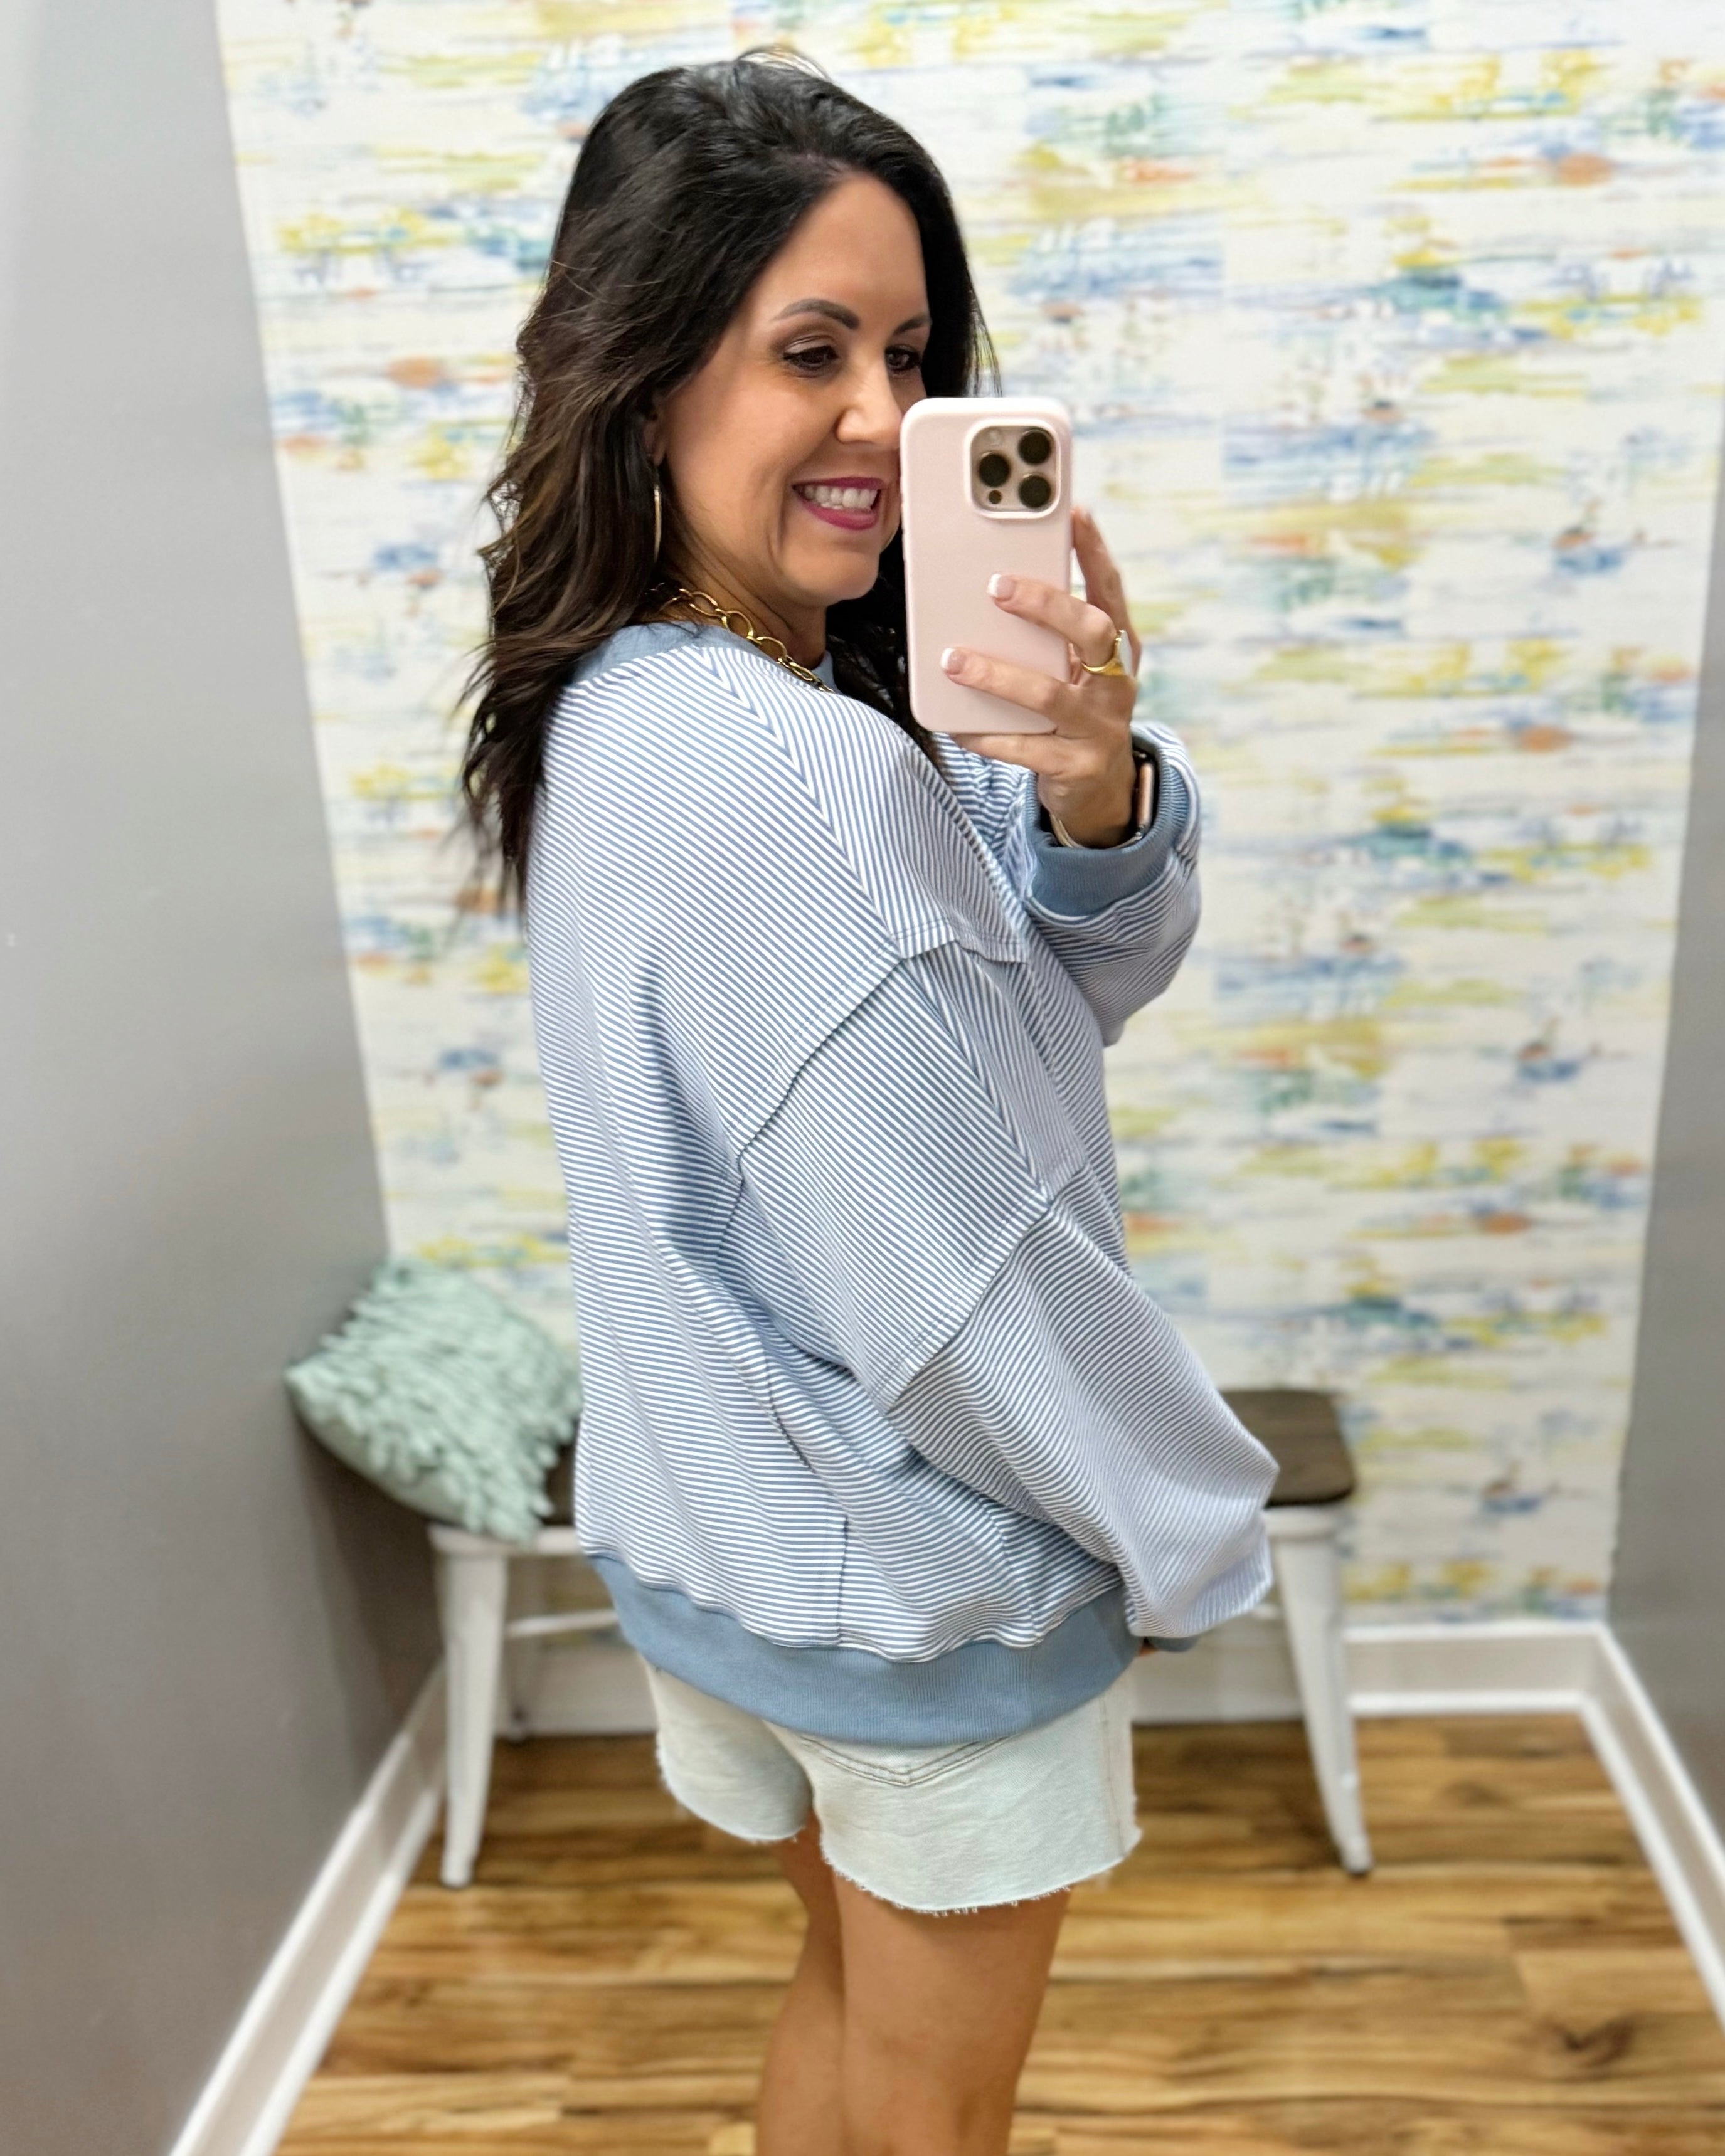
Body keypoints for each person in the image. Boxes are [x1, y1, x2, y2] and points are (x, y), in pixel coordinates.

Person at [462, 50, 1275, 2156]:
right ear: (642, 367)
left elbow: (1025, 996)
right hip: (914, 1584)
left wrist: (1090, 788)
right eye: (804, 348)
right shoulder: (801, 771)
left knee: (840, 1996)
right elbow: (973, 1288)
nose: (876, 416)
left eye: (906, 352)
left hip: (734, 1542)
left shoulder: (617, 695)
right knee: (938, 2119)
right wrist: (1180, 1537)